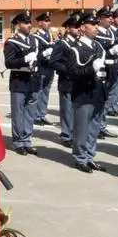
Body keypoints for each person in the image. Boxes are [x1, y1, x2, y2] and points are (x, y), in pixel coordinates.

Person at [67, 12, 108, 173]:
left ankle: (90, 156)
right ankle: (80, 157)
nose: (97, 27)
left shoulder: (98, 46)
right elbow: (73, 73)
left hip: (98, 91)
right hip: (84, 93)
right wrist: (91, 69)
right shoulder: (75, 49)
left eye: (98, 24)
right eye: (93, 25)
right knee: (82, 127)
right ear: (83, 27)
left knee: (94, 128)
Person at [3, 11, 40, 155]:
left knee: (30, 114)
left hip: (33, 81)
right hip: (19, 82)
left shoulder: (34, 40)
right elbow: (9, 63)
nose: (29, 25)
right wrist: (24, 59)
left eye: (30, 22)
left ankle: (27, 140)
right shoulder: (12, 42)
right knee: (18, 113)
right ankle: (19, 142)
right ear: (18, 24)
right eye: (25, 23)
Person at [48, 14, 80, 148]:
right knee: (67, 110)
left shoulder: (79, 43)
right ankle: (66, 135)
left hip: (78, 81)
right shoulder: (62, 44)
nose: (78, 29)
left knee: (76, 110)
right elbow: (53, 62)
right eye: (75, 27)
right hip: (66, 81)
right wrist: (67, 70)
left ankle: (75, 134)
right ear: (67, 28)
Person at [93, 7, 118, 138]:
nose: (110, 19)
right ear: (99, 19)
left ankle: (102, 126)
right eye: (107, 17)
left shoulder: (110, 32)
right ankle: (97, 126)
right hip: (103, 70)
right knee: (99, 99)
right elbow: (99, 53)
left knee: (107, 100)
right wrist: (111, 52)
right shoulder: (97, 33)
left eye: (111, 16)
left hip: (112, 69)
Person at [31, 12, 56, 126]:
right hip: (41, 68)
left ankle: (42, 114)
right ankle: (36, 115)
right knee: (38, 92)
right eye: (45, 21)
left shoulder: (50, 35)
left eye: (48, 21)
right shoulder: (36, 36)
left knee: (45, 93)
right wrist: (44, 53)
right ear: (40, 23)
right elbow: (34, 53)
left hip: (49, 68)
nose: (48, 23)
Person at [106, 9, 118, 117]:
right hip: (111, 60)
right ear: (113, 19)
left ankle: (114, 106)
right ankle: (109, 106)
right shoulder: (110, 30)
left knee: (117, 86)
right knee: (111, 85)